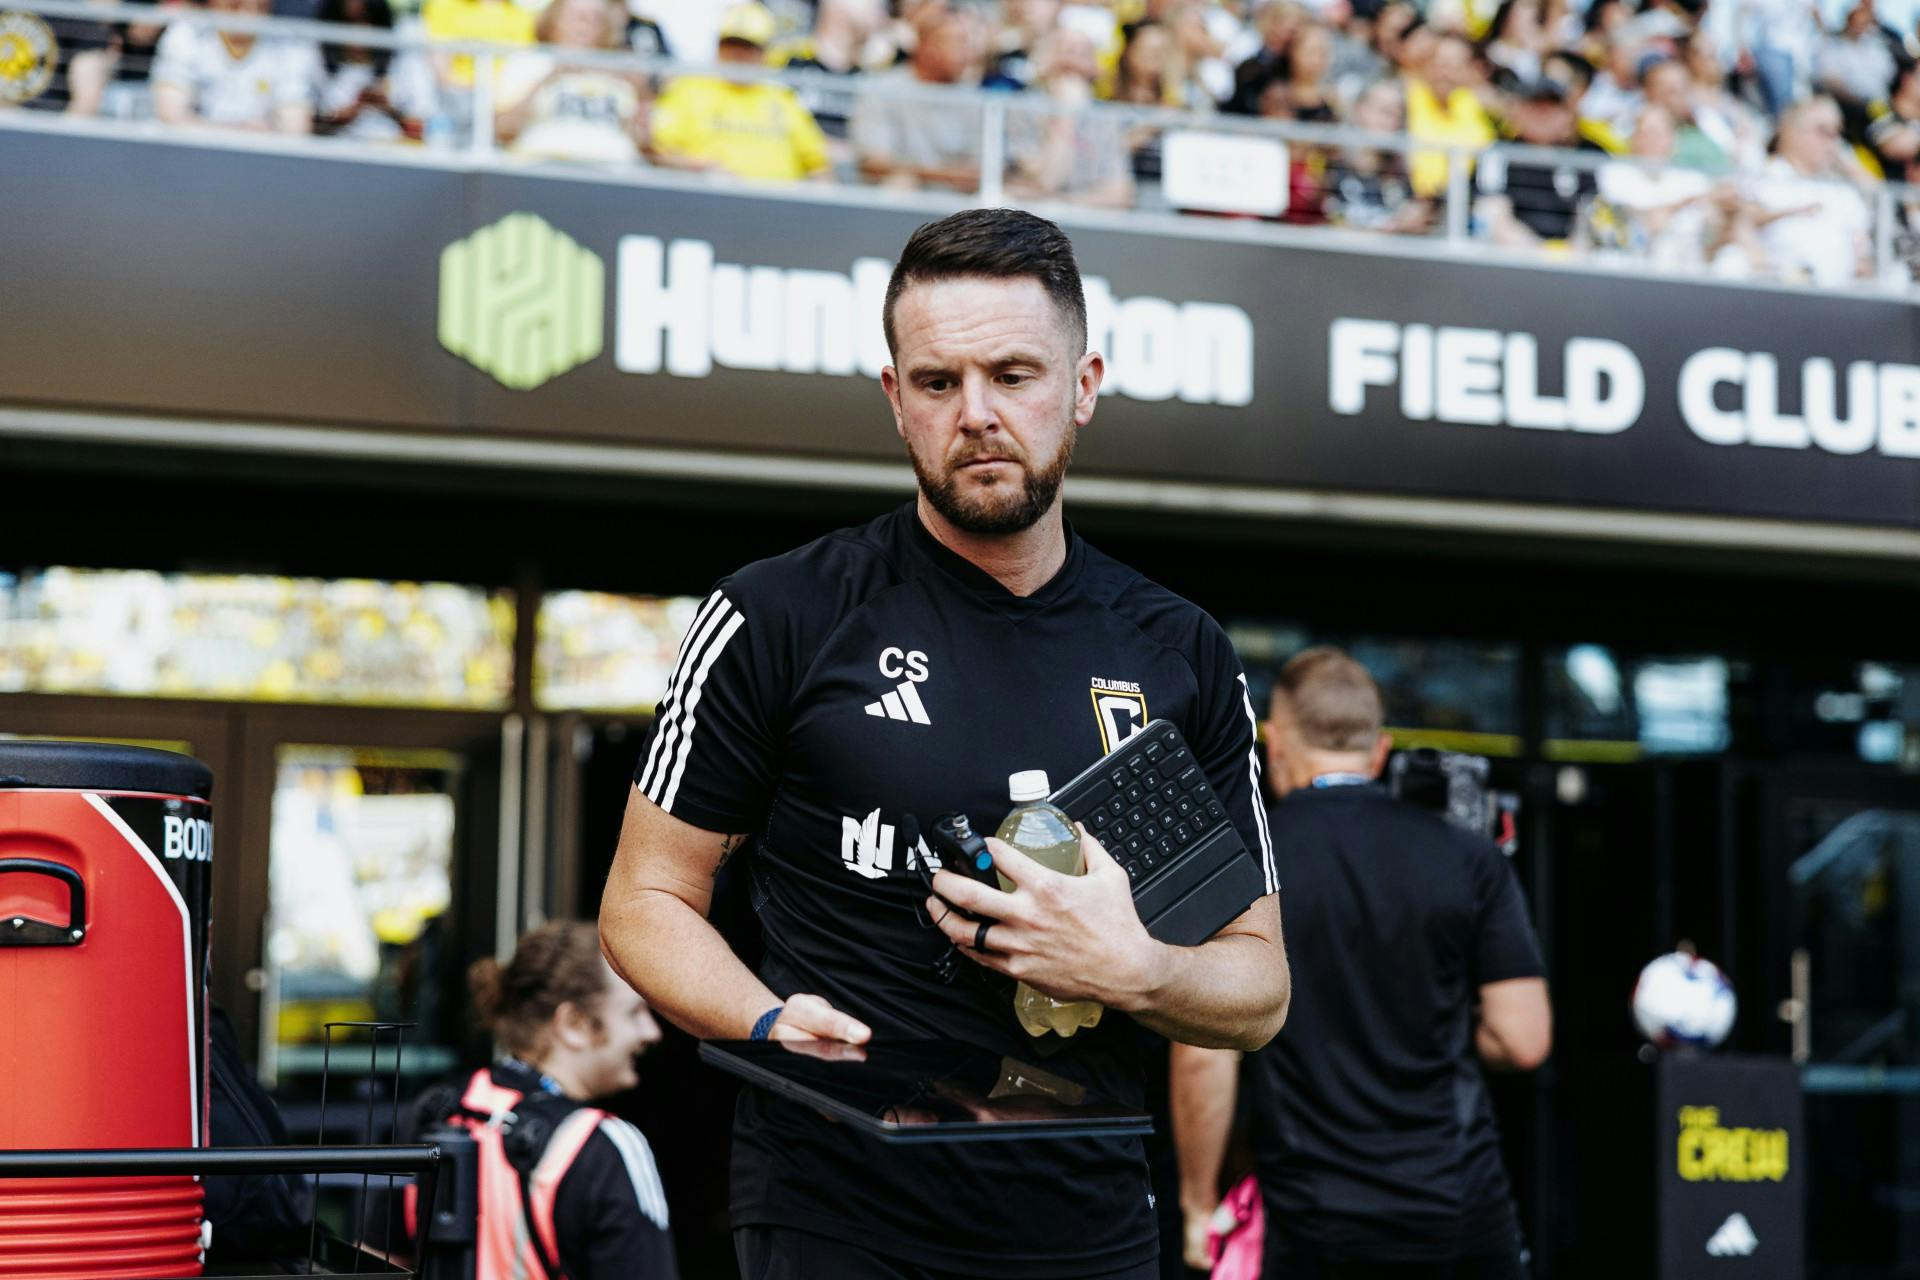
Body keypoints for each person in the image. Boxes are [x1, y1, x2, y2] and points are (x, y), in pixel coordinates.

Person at [599, 207, 1289, 1280]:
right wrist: (769, 1016)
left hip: (1090, 1213)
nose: (976, 413)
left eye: (1014, 374)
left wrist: (1135, 964)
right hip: (838, 1205)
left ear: (1085, 384)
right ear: (895, 397)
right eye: (937, 381)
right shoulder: (779, 613)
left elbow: (1259, 987)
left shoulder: (1177, 650)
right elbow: (644, 900)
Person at [1173, 647, 1550, 1279]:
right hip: (1460, 1206)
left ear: (1274, 744)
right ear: (1380, 752)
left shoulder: (1245, 864)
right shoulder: (1467, 856)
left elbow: (1207, 1053)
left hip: (1317, 1217)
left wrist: (1196, 1203)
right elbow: (1523, 1038)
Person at [417, 920, 677, 1279]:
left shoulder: (441, 1110)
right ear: (574, 1023)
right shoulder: (605, 1146)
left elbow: (379, 1261)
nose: (652, 1032)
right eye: (634, 1012)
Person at [649, 2, 832, 180]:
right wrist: (698, 169)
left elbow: (818, 164)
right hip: (706, 201)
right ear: (718, 46)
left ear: (763, 53)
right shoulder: (688, 89)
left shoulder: (782, 97)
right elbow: (657, 151)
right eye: (731, 44)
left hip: (778, 203)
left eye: (748, 47)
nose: (738, 55)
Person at [851, 7, 987, 191]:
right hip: (900, 203)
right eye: (958, 42)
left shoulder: (976, 99)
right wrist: (942, 175)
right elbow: (874, 164)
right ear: (927, 45)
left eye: (969, 44)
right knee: (900, 185)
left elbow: (979, 173)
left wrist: (919, 172)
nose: (968, 53)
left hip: (958, 207)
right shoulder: (883, 89)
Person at [496, 0, 648, 164]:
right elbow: (503, 130)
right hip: (542, 167)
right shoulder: (528, 63)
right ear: (553, 21)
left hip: (611, 173)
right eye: (577, 17)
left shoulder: (622, 73)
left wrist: (641, 94)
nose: (584, 26)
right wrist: (549, 78)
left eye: (595, 19)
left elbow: (642, 142)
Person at [1747, 94, 1873, 286]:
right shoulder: (1760, 177)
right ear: (1789, 131)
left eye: (1837, 133)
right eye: (1823, 131)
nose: (1833, 142)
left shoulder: (1843, 191)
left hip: (1839, 301)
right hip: (1774, 295)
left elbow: (1863, 256)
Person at [150, 0, 321, 132]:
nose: (248, 5)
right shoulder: (186, 35)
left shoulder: (291, 46)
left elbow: (295, 128)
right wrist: (241, 133)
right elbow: (170, 116)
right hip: (192, 159)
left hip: (262, 165)